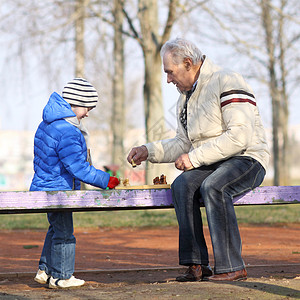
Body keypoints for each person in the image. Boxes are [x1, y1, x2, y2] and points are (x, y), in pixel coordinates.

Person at [127, 38, 270, 282]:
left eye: (170, 72)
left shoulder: (227, 80)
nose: (168, 80)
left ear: (188, 63)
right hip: (213, 163)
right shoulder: (184, 99)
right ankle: (196, 265)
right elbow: (183, 143)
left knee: (214, 186)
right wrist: (147, 151)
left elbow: (240, 136)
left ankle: (233, 266)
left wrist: (194, 158)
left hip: (247, 158)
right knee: (181, 185)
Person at [30, 78, 119, 289]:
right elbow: (78, 167)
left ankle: (45, 270)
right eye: (87, 108)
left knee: (55, 229)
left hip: (46, 187)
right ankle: (62, 277)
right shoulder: (68, 131)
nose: (87, 113)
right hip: (59, 191)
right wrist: (107, 180)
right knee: (64, 233)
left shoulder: (48, 123)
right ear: (75, 103)